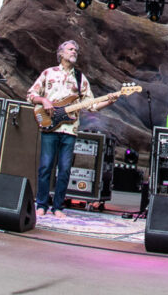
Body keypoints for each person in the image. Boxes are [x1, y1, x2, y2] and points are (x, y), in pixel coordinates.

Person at [26, 39, 117, 217]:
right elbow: (31, 94)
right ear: (61, 53)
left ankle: (58, 207)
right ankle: (41, 204)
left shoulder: (80, 78)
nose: (74, 52)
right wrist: (44, 100)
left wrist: (109, 101)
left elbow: (91, 105)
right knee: (45, 167)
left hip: (69, 130)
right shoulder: (48, 73)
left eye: (76, 50)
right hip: (50, 127)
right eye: (70, 49)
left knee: (65, 169)